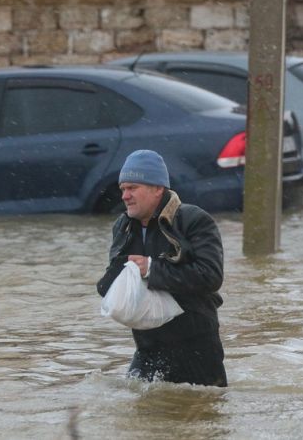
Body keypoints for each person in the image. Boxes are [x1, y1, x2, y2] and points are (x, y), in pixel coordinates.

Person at [96, 149, 227, 387]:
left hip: (196, 345)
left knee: (202, 414)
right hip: (148, 347)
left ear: (158, 189)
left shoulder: (194, 220)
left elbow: (211, 276)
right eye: (122, 189)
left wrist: (151, 269)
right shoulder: (123, 226)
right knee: (137, 415)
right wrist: (116, 281)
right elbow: (107, 287)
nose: (125, 196)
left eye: (132, 187)